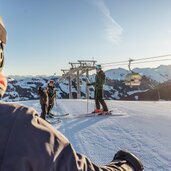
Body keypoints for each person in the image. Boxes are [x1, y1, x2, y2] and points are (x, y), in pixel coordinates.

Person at [0, 17, 144, 171]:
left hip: (99, 88)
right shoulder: (18, 126)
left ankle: (103, 108)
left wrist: (93, 84)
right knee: (96, 97)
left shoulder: (16, 126)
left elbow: (100, 83)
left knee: (99, 97)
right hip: (95, 89)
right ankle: (98, 109)